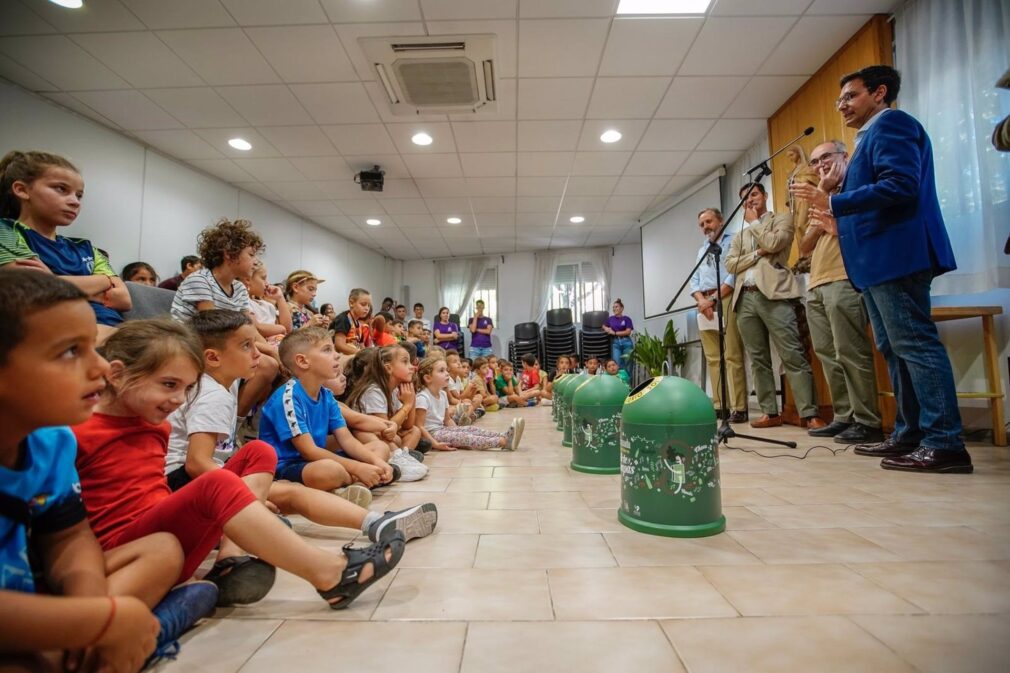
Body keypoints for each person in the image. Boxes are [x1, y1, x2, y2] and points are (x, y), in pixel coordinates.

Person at [71, 319, 405, 611]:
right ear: (116, 375)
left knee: (258, 451)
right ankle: (331, 573)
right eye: (169, 385)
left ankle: (230, 560)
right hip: (129, 555)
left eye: (185, 389)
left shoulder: (156, 424)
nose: (177, 400)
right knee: (219, 483)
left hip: (167, 542)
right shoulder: (77, 432)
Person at [0, 270, 215, 672]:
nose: (101, 368)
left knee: (164, 548)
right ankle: (149, 630)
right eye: (70, 352)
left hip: (36, 598)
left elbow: (69, 537)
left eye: (92, 348)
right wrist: (101, 621)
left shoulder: (51, 443)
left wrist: (92, 605)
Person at [791, 65, 971, 473]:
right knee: (893, 348)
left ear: (880, 92)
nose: (842, 105)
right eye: (839, 100)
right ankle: (909, 434)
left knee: (915, 345)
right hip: (873, 262)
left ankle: (944, 441)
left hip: (897, 254)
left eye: (850, 96)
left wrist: (834, 203)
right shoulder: (867, 139)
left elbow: (901, 185)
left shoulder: (893, 125)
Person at [166, 310, 436, 544]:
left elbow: (348, 434)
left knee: (287, 485)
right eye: (247, 345)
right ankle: (375, 521)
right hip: (184, 482)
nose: (258, 352)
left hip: (211, 477)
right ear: (213, 358)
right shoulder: (213, 394)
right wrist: (246, 494)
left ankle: (375, 519)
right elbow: (197, 463)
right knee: (293, 491)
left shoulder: (222, 388)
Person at [797, 141, 883, 444]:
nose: (820, 165)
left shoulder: (856, 188)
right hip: (816, 282)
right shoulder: (822, 197)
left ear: (844, 157)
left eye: (826, 158)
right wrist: (823, 214)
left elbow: (868, 226)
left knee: (851, 350)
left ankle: (868, 420)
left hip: (844, 278)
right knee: (827, 354)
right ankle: (845, 416)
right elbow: (804, 245)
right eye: (815, 161)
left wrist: (835, 225)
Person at [1, 150, 131, 341]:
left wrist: (57, 283)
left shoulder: (86, 248)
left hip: (115, 333)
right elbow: (36, 293)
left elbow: (124, 299)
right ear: (22, 190)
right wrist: (103, 282)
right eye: (61, 189)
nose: (74, 202)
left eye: (79, 195)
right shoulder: (7, 232)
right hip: (62, 337)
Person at [725, 182, 824, 431]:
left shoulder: (782, 219)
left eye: (754, 194)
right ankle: (770, 412)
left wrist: (757, 227)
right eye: (745, 198)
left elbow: (774, 244)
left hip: (775, 294)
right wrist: (757, 254)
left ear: (765, 195)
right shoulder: (740, 235)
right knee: (758, 359)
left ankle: (809, 413)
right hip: (744, 299)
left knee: (792, 352)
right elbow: (730, 265)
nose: (750, 200)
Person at [259, 328, 397, 491]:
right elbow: (309, 451)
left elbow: (347, 440)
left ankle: (359, 484)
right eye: (327, 350)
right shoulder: (287, 397)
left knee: (380, 448)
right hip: (289, 466)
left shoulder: (326, 395)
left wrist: (377, 463)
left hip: (317, 459)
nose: (337, 355)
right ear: (303, 361)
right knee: (329, 471)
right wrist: (358, 468)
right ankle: (360, 480)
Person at [169, 217, 279, 418]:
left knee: (271, 362)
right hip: (194, 343)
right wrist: (269, 353)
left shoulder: (238, 288)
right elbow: (212, 328)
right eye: (251, 254)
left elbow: (249, 327)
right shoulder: (200, 280)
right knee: (264, 364)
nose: (255, 261)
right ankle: (229, 419)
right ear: (230, 255)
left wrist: (272, 351)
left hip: (224, 342)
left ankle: (231, 421)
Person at [689, 207, 748, 423]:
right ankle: (719, 405)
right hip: (704, 304)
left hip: (725, 298)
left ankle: (739, 407)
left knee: (731, 354)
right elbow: (694, 280)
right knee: (713, 357)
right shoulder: (702, 249)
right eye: (702, 224)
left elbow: (733, 276)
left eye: (709, 221)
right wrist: (701, 300)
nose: (706, 227)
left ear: (720, 221)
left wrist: (713, 299)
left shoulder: (733, 241)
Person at [344, 344, 429, 481]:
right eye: (405, 361)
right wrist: (407, 405)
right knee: (385, 438)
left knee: (414, 431)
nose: (412, 367)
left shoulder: (394, 390)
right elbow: (384, 431)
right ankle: (396, 459)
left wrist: (411, 399)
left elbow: (408, 426)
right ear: (388, 368)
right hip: (367, 438)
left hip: (387, 436)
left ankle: (401, 457)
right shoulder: (374, 391)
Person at [415, 355, 523, 451]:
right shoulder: (423, 398)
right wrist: (435, 444)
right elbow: (419, 426)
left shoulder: (442, 394)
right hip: (432, 435)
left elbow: (447, 419)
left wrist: (459, 430)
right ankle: (502, 442)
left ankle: (504, 435)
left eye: (446, 370)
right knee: (466, 438)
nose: (447, 374)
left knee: (471, 429)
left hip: (442, 430)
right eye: (441, 371)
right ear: (428, 378)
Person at [243, 260, 292, 343]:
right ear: (248, 280)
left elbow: (288, 328)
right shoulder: (244, 302)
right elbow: (257, 328)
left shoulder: (267, 305)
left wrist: (280, 298)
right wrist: (281, 328)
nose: (267, 283)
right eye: (263, 278)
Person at [331, 288, 372, 355]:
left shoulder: (359, 324)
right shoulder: (344, 319)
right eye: (363, 304)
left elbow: (362, 346)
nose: (367, 308)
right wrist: (360, 354)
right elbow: (339, 345)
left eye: (369, 305)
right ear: (351, 303)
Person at [603, 299, 634, 373]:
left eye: (616, 307)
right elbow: (603, 325)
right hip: (616, 343)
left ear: (622, 308)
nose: (614, 309)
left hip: (627, 342)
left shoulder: (627, 319)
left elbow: (628, 332)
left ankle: (627, 384)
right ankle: (619, 383)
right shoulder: (611, 319)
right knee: (616, 364)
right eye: (613, 307)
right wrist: (606, 328)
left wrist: (615, 333)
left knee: (628, 365)